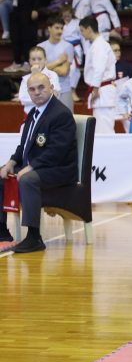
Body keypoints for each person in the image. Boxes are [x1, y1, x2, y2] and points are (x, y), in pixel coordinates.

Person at [0, 73, 77, 253]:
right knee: (1, 174)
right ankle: (2, 231)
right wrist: (11, 162)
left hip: (59, 169)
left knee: (28, 179)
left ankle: (34, 237)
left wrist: (30, 167)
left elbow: (57, 151)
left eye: (41, 87)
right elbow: (24, 145)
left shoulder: (61, 114)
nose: (37, 92)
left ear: (51, 88)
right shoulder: (34, 113)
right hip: (41, 166)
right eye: (32, 89)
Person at [80, 16, 117, 134]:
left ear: (89, 29)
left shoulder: (99, 45)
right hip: (102, 90)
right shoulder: (99, 44)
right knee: (101, 129)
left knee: (104, 130)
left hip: (102, 91)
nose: (82, 34)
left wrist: (95, 89)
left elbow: (99, 69)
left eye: (82, 30)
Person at [38, 16, 75, 112]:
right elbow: (38, 70)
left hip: (64, 89)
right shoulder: (40, 47)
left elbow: (64, 72)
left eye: (61, 28)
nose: (60, 31)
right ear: (49, 28)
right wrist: (59, 62)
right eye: (57, 28)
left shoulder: (68, 46)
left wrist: (46, 68)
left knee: (67, 118)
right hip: (45, 90)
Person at [4, 0, 41, 73]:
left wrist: (35, 9)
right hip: (16, 11)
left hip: (28, 12)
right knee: (15, 37)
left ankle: (27, 62)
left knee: (26, 37)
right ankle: (17, 62)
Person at [18, 47, 61, 118]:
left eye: (40, 59)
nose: (36, 62)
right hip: (30, 114)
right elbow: (23, 99)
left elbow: (55, 95)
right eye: (33, 59)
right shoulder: (26, 79)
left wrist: (37, 75)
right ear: (29, 61)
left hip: (49, 113)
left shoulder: (52, 75)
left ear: (45, 60)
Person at [60, 4, 85, 103]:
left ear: (72, 14)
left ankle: (73, 90)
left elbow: (83, 37)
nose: (66, 17)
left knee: (75, 70)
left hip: (76, 49)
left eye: (68, 14)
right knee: (66, 70)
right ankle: (68, 92)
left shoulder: (77, 23)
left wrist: (86, 51)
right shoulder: (60, 25)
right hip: (64, 49)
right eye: (65, 15)